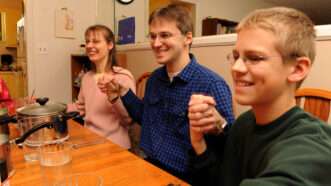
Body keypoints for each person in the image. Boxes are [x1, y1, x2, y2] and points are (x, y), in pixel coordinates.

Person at [188, 7, 331, 186]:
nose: (236, 68)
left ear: (297, 69)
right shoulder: (244, 123)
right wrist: (199, 142)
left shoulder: (311, 148)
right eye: (235, 56)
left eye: (254, 58)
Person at [99, 4, 235, 183]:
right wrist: (123, 92)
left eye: (165, 35)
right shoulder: (155, 78)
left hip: (183, 176)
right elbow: (145, 116)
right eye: (153, 36)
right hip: (147, 164)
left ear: (187, 38)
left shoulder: (211, 84)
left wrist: (220, 125)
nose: (156, 43)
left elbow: (230, 146)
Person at [68, 24, 136, 149]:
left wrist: (114, 97)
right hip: (89, 141)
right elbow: (80, 107)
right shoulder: (87, 77)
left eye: (96, 41)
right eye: (87, 41)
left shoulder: (122, 77)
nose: (89, 46)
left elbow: (129, 120)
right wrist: (51, 109)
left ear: (110, 45)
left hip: (115, 146)